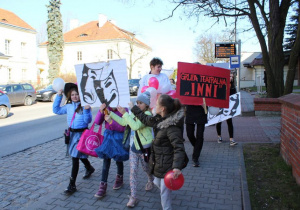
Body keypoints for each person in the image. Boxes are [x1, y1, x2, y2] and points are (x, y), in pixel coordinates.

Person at [130, 94, 187, 210]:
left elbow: (179, 147)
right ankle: (168, 188)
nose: (154, 105)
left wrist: (176, 167)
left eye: (157, 104)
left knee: (164, 193)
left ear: (163, 108)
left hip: (168, 163)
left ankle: (167, 208)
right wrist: (134, 108)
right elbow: (145, 119)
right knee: (157, 182)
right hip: (159, 161)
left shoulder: (172, 127)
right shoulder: (159, 119)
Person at [109, 91, 154, 208]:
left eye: (141, 103)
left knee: (146, 168)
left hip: (144, 149)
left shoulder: (147, 114)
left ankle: (150, 179)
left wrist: (125, 113)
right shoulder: (135, 112)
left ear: (147, 105)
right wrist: (112, 113)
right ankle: (133, 197)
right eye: (137, 102)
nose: (138, 105)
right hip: (134, 148)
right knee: (132, 172)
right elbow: (125, 122)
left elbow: (135, 126)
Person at [53, 83, 95, 195]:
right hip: (72, 134)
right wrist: (59, 95)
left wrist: (86, 110)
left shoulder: (84, 106)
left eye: (77, 94)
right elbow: (56, 110)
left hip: (82, 134)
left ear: (80, 95)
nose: (75, 96)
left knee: (75, 158)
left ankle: (72, 185)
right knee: (77, 155)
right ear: (69, 96)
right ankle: (89, 167)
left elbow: (87, 121)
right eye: (72, 94)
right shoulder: (69, 106)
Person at [93, 104, 128, 198]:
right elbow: (97, 122)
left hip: (118, 137)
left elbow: (123, 127)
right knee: (106, 159)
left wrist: (111, 121)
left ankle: (119, 177)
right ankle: (103, 185)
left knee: (118, 158)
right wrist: (100, 111)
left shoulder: (123, 109)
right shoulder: (106, 109)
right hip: (108, 136)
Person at [216, 74, 238, 146]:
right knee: (219, 122)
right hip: (221, 106)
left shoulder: (233, 87)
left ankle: (231, 139)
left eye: (232, 76)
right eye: (229, 76)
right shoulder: (222, 85)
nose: (231, 78)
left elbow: (235, 97)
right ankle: (219, 136)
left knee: (229, 123)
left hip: (228, 108)